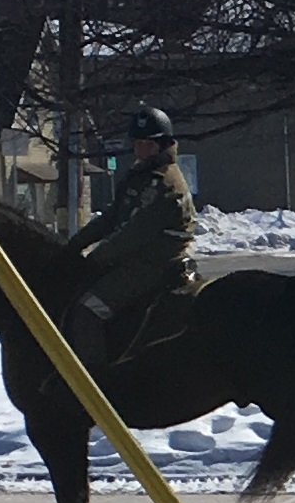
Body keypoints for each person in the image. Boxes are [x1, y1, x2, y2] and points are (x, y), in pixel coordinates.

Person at [62, 107, 197, 371]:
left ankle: (96, 381)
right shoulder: (140, 176)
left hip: (155, 263)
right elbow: (112, 217)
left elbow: (133, 234)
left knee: (88, 310)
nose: (142, 150)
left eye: (148, 144)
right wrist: (74, 245)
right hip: (136, 258)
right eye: (138, 143)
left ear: (162, 145)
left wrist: (94, 260)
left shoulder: (166, 184)